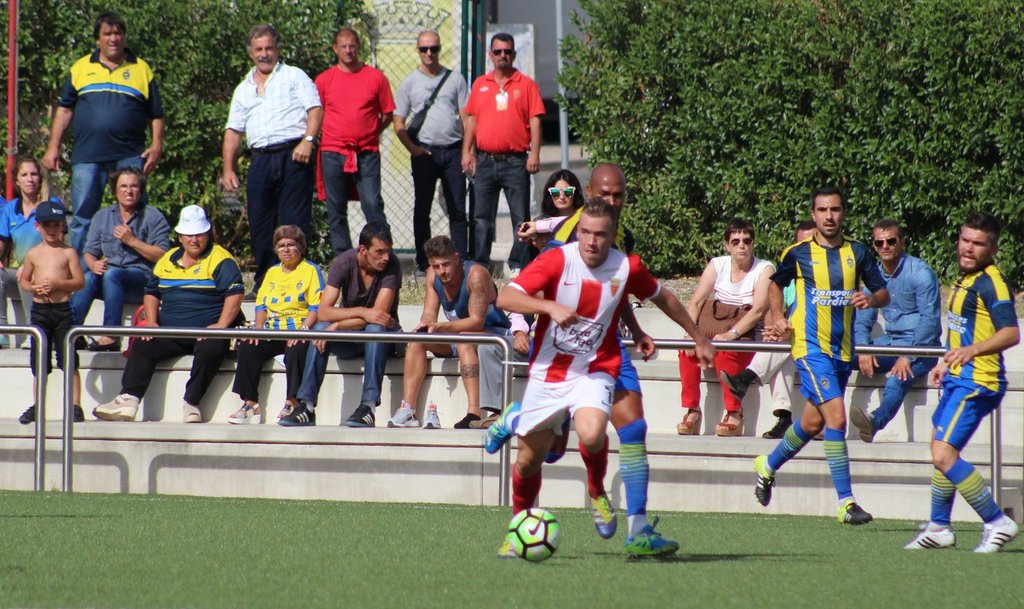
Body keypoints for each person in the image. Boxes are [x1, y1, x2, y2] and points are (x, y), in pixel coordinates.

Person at [489, 164, 703, 555]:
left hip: (598, 362)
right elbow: (507, 296)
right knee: (534, 458)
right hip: (551, 368)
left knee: (606, 431)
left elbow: (631, 293)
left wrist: (666, 333)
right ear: (588, 195)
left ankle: (624, 517)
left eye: (618, 196)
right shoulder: (559, 250)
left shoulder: (624, 256)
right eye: (604, 195)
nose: (592, 239)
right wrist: (549, 307)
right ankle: (519, 433)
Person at [753, 187, 889, 525]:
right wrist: (777, 314)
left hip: (842, 350)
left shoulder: (858, 252)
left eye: (835, 209)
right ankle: (846, 502)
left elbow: (883, 293)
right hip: (810, 347)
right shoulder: (798, 253)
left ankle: (767, 465)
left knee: (813, 422)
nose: (829, 216)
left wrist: (870, 299)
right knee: (837, 419)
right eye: (823, 210)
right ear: (813, 214)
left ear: (843, 213)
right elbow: (774, 284)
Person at [905, 212, 1020, 553]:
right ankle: (939, 526)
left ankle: (997, 521)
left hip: (979, 382)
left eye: (978, 244)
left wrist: (971, 351)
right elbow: (965, 329)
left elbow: (1010, 333)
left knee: (943, 453)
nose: (969, 248)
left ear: (993, 249)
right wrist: (946, 361)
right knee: (940, 448)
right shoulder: (967, 278)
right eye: (965, 240)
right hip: (959, 378)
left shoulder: (992, 283)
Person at [93, 205, 244, 423]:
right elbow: (152, 292)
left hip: (207, 331)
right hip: (171, 331)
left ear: (207, 234)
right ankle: (128, 399)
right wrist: (152, 321)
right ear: (180, 237)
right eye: (189, 235)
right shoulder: (168, 259)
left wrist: (221, 325)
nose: (194, 240)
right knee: (143, 342)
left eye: (199, 234)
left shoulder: (221, 259)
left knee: (213, 347)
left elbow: (235, 294)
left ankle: (192, 403)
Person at [42, 11, 164, 253]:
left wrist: (157, 145)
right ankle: (79, 271)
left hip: (130, 154)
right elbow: (64, 110)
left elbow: (156, 113)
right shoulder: (81, 68)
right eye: (107, 34)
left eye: (118, 33)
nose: (113, 38)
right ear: (98, 39)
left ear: (124, 37)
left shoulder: (141, 69)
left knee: (137, 213)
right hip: (88, 155)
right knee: (82, 218)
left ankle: (138, 268)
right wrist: (53, 147)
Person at [222, 24, 323, 290]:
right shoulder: (243, 89)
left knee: (294, 222)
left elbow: (315, 109)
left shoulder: (294, 76)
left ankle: (297, 281)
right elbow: (233, 131)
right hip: (260, 159)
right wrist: (228, 168)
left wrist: (308, 141)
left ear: (277, 49)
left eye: (269, 48)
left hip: (294, 155)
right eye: (259, 49)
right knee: (259, 221)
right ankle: (265, 283)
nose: (264, 54)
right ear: (251, 53)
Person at [284, 222, 402, 427]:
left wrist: (338, 326)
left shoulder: (392, 265)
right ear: (363, 250)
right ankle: (307, 406)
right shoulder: (344, 262)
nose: (385, 257)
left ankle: (368, 407)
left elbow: (379, 316)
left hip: (382, 340)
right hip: (351, 337)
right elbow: (323, 311)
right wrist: (363, 312)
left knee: (374, 329)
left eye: (388, 251)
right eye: (379, 252)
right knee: (320, 329)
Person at [390, 235, 509, 429]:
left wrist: (442, 327)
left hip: (493, 334)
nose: (442, 271)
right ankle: (408, 410)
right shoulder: (432, 275)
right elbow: (429, 313)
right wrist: (426, 326)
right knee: (416, 340)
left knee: (464, 339)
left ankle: (474, 412)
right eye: (436, 266)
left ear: (456, 258)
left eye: (446, 264)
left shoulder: (476, 275)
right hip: (457, 333)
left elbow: (476, 321)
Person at [677, 218, 774, 436]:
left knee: (724, 350)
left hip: (746, 335)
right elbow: (696, 302)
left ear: (753, 243)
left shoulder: (764, 269)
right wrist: (690, 334)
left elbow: (758, 309)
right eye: (735, 241)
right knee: (686, 350)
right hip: (716, 330)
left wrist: (732, 334)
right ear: (727, 245)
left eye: (747, 241)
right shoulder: (718, 264)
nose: (742, 245)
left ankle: (734, 412)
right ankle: (692, 410)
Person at [848, 219, 942, 442]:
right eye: (879, 243)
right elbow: (862, 319)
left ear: (902, 242)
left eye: (891, 241)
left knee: (897, 378)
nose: (885, 246)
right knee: (840, 357)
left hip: (923, 348)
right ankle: (826, 419)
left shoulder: (920, 273)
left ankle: (874, 422)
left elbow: (929, 321)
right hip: (889, 343)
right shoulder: (874, 276)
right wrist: (864, 349)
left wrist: (907, 356)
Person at [721, 220, 816, 439]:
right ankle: (784, 417)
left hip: (817, 340)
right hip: (794, 342)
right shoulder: (790, 277)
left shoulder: (831, 276)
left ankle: (746, 378)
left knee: (783, 345)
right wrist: (775, 325)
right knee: (782, 353)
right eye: (802, 245)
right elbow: (777, 309)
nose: (807, 250)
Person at [461, 33, 545, 273]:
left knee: (520, 217)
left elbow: (536, 120)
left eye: (507, 51)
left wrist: (535, 153)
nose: (502, 56)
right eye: (498, 52)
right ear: (490, 55)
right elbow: (472, 120)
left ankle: (518, 265)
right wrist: (467, 152)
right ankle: (480, 266)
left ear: (514, 54)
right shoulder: (480, 84)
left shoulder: (526, 84)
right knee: (481, 218)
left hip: (515, 161)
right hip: (485, 160)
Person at [229, 226, 322, 424]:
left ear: (301, 247)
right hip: (273, 329)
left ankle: (292, 401)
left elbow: (316, 308)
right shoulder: (272, 272)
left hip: (299, 328)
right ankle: (250, 403)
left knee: (297, 348)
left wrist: (302, 331)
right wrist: (259, 331)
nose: (286, 249)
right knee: (249, 344)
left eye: (291, 245)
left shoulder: (311, 270)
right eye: (281, 246)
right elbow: (261, 306)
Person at [394, 30, 470, 274]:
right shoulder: (409, 82)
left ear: (439, 49)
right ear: (417, 50)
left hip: (453, 151)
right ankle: (423, 263)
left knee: (457, 209)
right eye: (424, 49)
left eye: (434, 48)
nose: (429, 53)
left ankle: (461, 261)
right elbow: (398, 122)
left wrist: (468, 152)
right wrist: (412, 148)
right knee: (422, 209)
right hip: (424, 153)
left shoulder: (455, 79)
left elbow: (467, 118)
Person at [71, 167, 171, 351]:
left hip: (142, 281)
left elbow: (163, 255)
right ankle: (70, 331)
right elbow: (90, 252)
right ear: (115, 191)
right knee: (88, 277)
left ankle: (111, 334)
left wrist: (132, 241)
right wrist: (94, 264)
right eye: (123, 186)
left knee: (113, 274)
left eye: (134, 186)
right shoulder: (102, 216)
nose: (129, 191)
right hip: (111, 281)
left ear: (141, 190)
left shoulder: (153, 216)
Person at [316, 27, 395, 255]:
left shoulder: (376, 77)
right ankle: (344, 257)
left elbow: (387, 113)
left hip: (366, 153)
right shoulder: (324, 80)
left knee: (372, 203)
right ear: (335, 49)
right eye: (343, 46)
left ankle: (381, 253)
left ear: (359, 47)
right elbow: (315, 113)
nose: (348, 50)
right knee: (336, 209)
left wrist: (371, 131)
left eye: (352, 46)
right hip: (333, 152)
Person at [16, 201, 85, 424]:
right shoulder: (33, 254)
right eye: (47, 225)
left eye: (56, 224)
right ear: (37, 226)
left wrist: (58, 283)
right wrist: (34, 288)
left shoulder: (69, 253)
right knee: (39, 361)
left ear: (62, 225)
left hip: (62, 310)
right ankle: (38, 404)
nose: (52, 230)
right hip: (40, 311)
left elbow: (79, 282)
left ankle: (75, 405)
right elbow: (25, 281)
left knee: (69, 359)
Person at [0, 156, 61, 349]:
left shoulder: (52, 204)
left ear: (40, 178)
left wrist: (29, 265)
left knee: (27, 273)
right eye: (24, 175)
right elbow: (2, 242)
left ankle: (34, 331)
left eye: (34, 174)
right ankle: (2, 332)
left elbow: (58, 241)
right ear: (17, 181)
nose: (30, 179)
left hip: (48, 273)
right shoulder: (10, 208)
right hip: (18, 273)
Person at [515, 168, 585, 258]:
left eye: (568, 192)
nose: (562, 197)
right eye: (555, 192)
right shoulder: (542, 221)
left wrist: (539, 226)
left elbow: (571, 222)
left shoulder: (584, 216)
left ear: (576, 193)